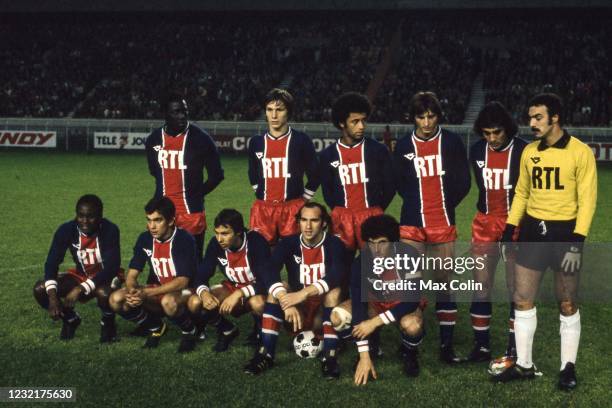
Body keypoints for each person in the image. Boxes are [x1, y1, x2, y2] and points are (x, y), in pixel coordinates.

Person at [493, 94, 597, 391]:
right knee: (522, 299)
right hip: (531, 233)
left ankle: (567, 367)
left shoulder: (580, 152)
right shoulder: (529, 152)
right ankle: (525, 364)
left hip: (565, 235)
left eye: (538, 117)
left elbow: (587, 200)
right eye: (530, 117)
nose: (532, 123)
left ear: (555, 118)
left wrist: (577, 241)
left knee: (566, 302)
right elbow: (522, 193)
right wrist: (510, 228)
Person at [393, 91, 470, 363]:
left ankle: (446, 347)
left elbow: (464, 182)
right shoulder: (403, 146)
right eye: (421, 117)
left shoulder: (451, 142)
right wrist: (417, 203)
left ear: (438, 116)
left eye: (431, 116)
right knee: (410, 284)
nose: (426, 122)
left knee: (443, 285)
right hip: (412, 224)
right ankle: (410, 344)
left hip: (442, 223)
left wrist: (444, 205)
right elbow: (400, 183)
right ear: (413, 118)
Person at [243, 202, 345, 379]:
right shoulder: (288, 243)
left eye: (314, 220)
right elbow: (268, 269)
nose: (308, 225)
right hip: (297, 309)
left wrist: (304, 293)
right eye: (303, 220)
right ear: (298, 221)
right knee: (278, 287)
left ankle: (330, 357)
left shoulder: (334, 243)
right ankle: (265, 354)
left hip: (322, 309)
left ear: (324, 223)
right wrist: (284, 298)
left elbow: (337, 274)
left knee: (333, 292)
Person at [330, 215, 424, 384]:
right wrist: (363, 356)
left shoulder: (409, 255)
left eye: (382, 242)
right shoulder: (361, 262)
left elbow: (412, 300)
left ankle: (408, 352)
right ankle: (372, 345)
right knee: (338, 316)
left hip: (402, 304)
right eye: (371, 242)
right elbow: (358, 304)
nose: (376, 248)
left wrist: (373, 323)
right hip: (376, 304)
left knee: (413, 325)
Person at [468, 102, 527, 363]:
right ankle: (481, 347)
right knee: (481, 285)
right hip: (484, 223)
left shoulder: (524, 150)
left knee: (517, 289)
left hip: (514, 224)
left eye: (497, 133)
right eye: (486, 133)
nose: (491, 139)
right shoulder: (477, 150)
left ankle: (513, 348)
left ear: (508, 130)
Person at [109, 197, 199, 353]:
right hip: (158, 288)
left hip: (186, 291)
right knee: (116, 299)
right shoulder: (144, 239)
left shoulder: (184, 239)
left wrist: (146, 293)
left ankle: (190, 331)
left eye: (158, 221)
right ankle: (155, 326)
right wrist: (132, 291)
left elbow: (182, 281)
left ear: (171, 221)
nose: (152, 226)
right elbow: (132, 274)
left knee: (168, 301)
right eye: (149, 220)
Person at [145, 92, 224, 260]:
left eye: (184, 111)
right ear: (165, 113)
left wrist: (196, 193)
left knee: (192, 263)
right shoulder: (153, 139)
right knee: (161, 263)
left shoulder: (201, 139)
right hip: (161, 213)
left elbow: (216, 175)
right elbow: (155, 172)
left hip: (191, 213)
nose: (182, 116)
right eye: (176, 112)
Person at [34, 194, 121, 342]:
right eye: (81, 216)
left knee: (105, 293)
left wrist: (80, 288)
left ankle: (108, 326)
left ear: (100, 216)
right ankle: (70, 319)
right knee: (40, 289)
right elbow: (51, 263)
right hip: (81, 275)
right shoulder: (66, 230)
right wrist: (53, 297)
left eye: (91, 216)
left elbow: (111, 268)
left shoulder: (110, 229)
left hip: (106, 277)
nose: (85, 221)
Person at [320, 92, 395, 253]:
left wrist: (377, 209)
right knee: (341, 265)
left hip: (371, 215)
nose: (361, 126)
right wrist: (340, 211)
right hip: (342, 217)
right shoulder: (328, 155)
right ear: (342, 123)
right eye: (355, 121)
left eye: (363, 120)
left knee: (375, 267)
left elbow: (390, 185)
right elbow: (327, 191)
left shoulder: (378, 150)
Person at [188, 209, 270, 353]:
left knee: (258, 303)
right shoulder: (216, 244)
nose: (219, 239)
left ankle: (260, 333)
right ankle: (227, 330)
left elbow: (267, 280)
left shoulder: (256, 241)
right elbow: (201, 274)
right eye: (217, 233)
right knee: (196, 301)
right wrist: (204, 294)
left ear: (238, 232)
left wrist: (239, 294)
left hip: (257, 289)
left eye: (225, 234)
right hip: (233, 286)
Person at [248, 88, 320, 245]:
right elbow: (252, 172)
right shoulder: (256, 142)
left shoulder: (301, 140)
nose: (273, 115)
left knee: (295, 258)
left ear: (288, 112)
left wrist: (304, 199)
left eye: (279, 110)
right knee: (262, 258)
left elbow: (315, 174)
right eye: (269, 110)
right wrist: (259, 192)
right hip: (264, 209)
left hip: (292, 208)